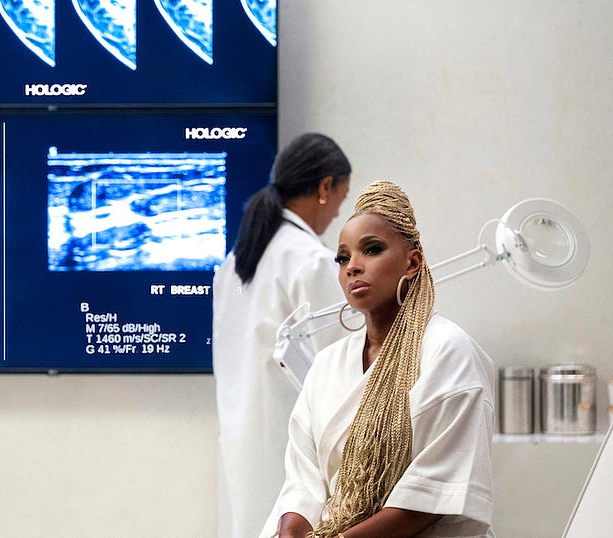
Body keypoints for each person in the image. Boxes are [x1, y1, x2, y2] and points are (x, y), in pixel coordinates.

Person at [266, 181, 496, 538]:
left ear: (413, 261)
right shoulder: (327, 365)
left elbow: (432, 494)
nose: (352, 267)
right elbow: (301, 481)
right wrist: (291, 532)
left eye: (371, 250)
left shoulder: (446, 351)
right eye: (343, 257)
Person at [212, 133, 352, 538]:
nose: (339, 211)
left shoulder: (235, 263)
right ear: (325, 187)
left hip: (242, 443)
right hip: (290, 449)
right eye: (342, 197)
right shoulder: (309, 261)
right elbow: (340, 365)